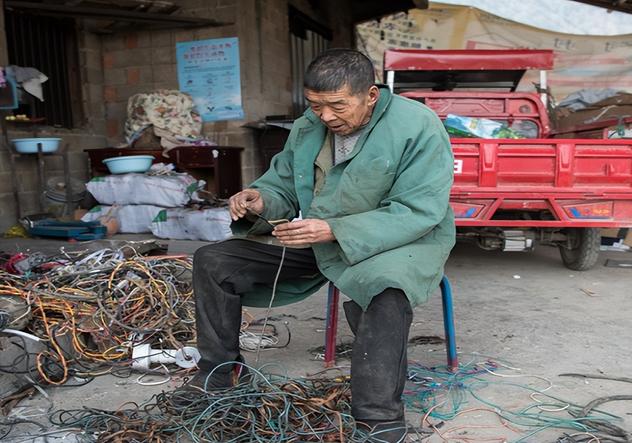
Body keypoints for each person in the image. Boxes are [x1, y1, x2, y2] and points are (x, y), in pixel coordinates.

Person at [188, 48, 455, 442]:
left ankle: (378, 419)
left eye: (336, 106)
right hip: (317, 238)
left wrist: (334, 229)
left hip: (397, 241)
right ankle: (218, 375)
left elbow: (418, 209)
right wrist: (260, 200)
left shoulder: (418, 126)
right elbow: (281, 184)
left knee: (386, 289)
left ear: (371, 95)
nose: (325, 117)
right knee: (213, 260)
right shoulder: (307, 127)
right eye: (315, 106)